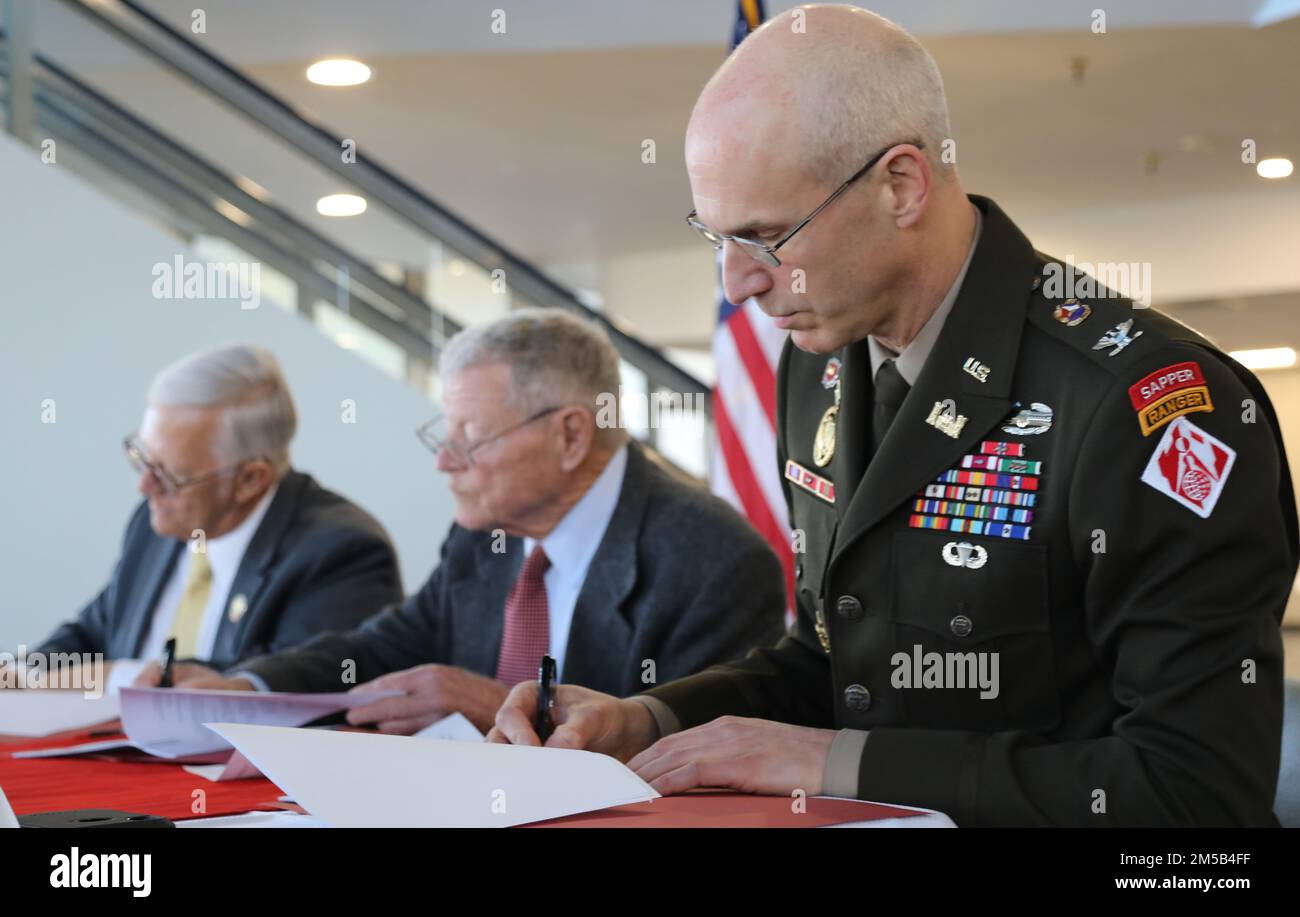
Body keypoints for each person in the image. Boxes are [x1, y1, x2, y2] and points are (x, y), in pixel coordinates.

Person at [489, 5, 1299, 827]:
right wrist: (652, 717)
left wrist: (835, 760)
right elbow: (838, 653)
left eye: (767, 237)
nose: (737, 284)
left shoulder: (1147, 405)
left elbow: (1196, 792)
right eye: (716, 237)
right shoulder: (817, 369)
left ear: (901, 184)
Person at [154, 309, 787, 735]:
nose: (445, 462)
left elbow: (693, 760)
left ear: (570, 434)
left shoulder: (712, 561)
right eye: (442, 434)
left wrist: (504, 712)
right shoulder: (486, 535)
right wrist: (248, 685)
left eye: (470, 438)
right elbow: (379, 648)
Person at [31, 343, 403, 690]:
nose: (144, 487)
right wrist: (19, 676)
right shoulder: (156, 522)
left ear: (250, 479)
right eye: (142, 458)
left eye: (169, 475)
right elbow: (92, 634)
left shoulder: (339, 551)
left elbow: (298, 681)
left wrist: (122, 676)